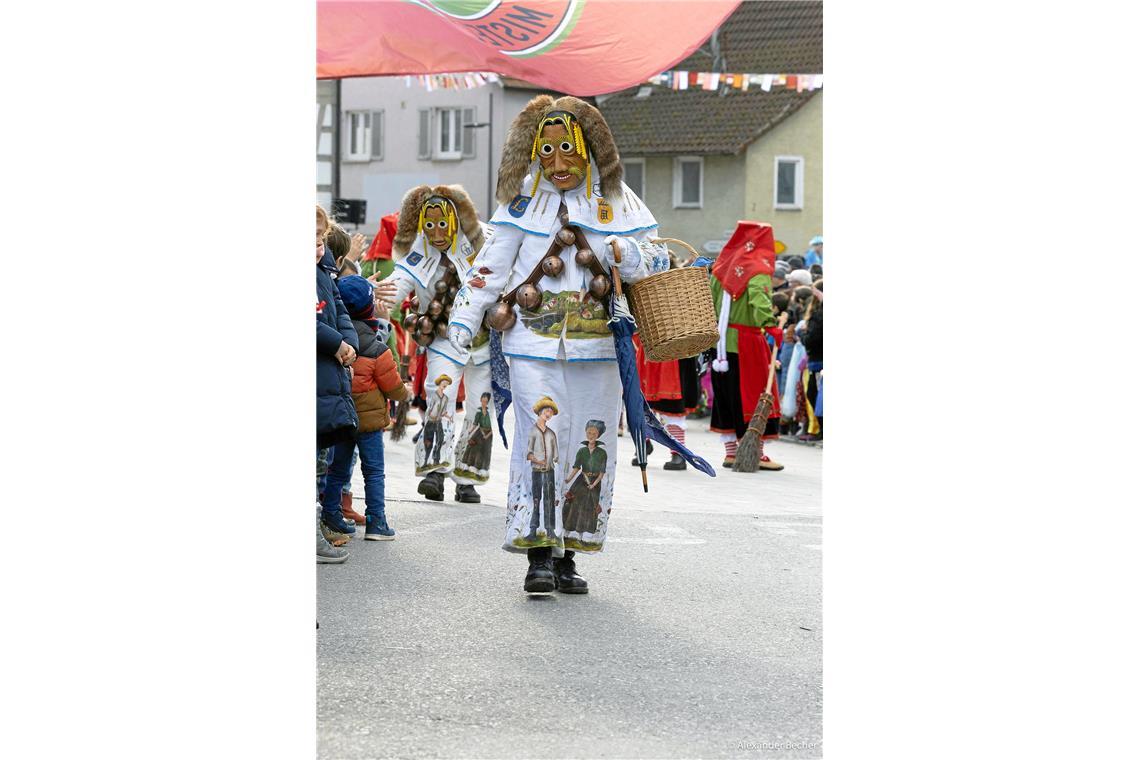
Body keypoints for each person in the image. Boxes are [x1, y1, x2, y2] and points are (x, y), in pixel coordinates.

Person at [446, 94, 670, 593]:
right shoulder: (522, 203)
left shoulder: (623, 202)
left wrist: (623, 250)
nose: (558, 163)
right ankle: (539, 555)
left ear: (590, 148)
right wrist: (462, 326)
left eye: (567, 149)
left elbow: (659, 260)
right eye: (546, 152)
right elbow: (488, 269)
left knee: (589, 445)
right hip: (530, 346)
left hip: (600, 350)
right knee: (541, 443)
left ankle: (570, 553)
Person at [376, 185, 495, 504]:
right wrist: (380, 304)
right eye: (429, 225)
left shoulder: (483, 240)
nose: (437, 232)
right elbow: (399, 282)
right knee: (439, 396)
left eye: (443, 224)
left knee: (479, 408)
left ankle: (467, 478)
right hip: (444, 341)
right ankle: (435, 472)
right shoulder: (416, 252)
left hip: (483, 342)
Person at [320, 275, 410, 540]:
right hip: (370, 424)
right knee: (373, 471)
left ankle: (330, 515)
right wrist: (405, 393)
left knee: (338, 469)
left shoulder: (334, 339)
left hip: (343, 417)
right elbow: (393, 387)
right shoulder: (377, 347)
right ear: (370, 307)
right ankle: (376, 522)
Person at [709, 221, 784, 471]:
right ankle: (755, 452)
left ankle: (731, 452)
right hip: (747, 342)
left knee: (726, 395)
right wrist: (770, 324)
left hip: (720, 343)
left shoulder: (721, 267)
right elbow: (759, 297)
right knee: (752, 395)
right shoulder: (757, 269)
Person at [316, 204, 358, 562]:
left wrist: (349, 343)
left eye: (319, 239)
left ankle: (320, 526)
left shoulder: (324, 270)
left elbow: (340, 310)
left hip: (328, 377)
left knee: (320, 460)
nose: (316, 246)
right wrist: (337, 343)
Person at [563, 420, 607, 545]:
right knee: (573, 505)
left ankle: (582, 537)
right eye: (589, 432)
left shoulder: (602, 453)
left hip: (595, 483)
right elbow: (577, 467)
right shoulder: (582, 451)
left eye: (594, 433)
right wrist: (569, 479)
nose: (591, 435)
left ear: (599, 435)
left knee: (589, 508)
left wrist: (594, 484)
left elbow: (602, 472)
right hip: (581, 481)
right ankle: (567, 533)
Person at [525, 397, 560, 544]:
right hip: (537, 471)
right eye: (546, 410)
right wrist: (538, 461)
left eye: (551, 411)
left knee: (549, 500)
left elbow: (556, 455)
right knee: (536, 499)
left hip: (549, 471)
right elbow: (529, 453)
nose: (549, 413)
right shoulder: (533, 432)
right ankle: (533, 529)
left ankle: (550, 530)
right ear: (540, 412)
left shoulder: (551, 434)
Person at [455, 392, 494, 482]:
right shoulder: (479, 411)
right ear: (480, 400)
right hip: (480, 432)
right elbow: (475, 423)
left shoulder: (488, 411)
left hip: (488, 434)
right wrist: (469, 431)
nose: (484, 403)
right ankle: (468, 469)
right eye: (483, 401)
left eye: (486, 401)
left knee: (485, 452)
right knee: (473, 449)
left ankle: (481, 470)